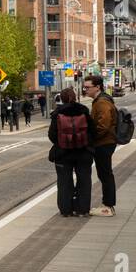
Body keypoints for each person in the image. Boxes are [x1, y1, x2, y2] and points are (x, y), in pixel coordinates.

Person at [48, 87, 95, 217]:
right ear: (75, 96)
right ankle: (82, 208)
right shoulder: (84, 111)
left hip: (63, 153)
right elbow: (92, 131)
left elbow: (52, 135)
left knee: (64, 182)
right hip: (83, 152)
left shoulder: (57, 113)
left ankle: (66, 209)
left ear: (61, 99)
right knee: (84, 180)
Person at [82, 74, 117, 217]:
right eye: (84, 87)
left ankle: (108, 206)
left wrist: (91, 138)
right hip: (105, 142)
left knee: (105, 174)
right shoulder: (100, 100)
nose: (85, 90)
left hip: (104, 143)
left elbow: (103, 126)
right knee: (105, 174)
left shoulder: (102, 102)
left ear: (97, 87)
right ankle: (107, 204)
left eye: (88, 87)